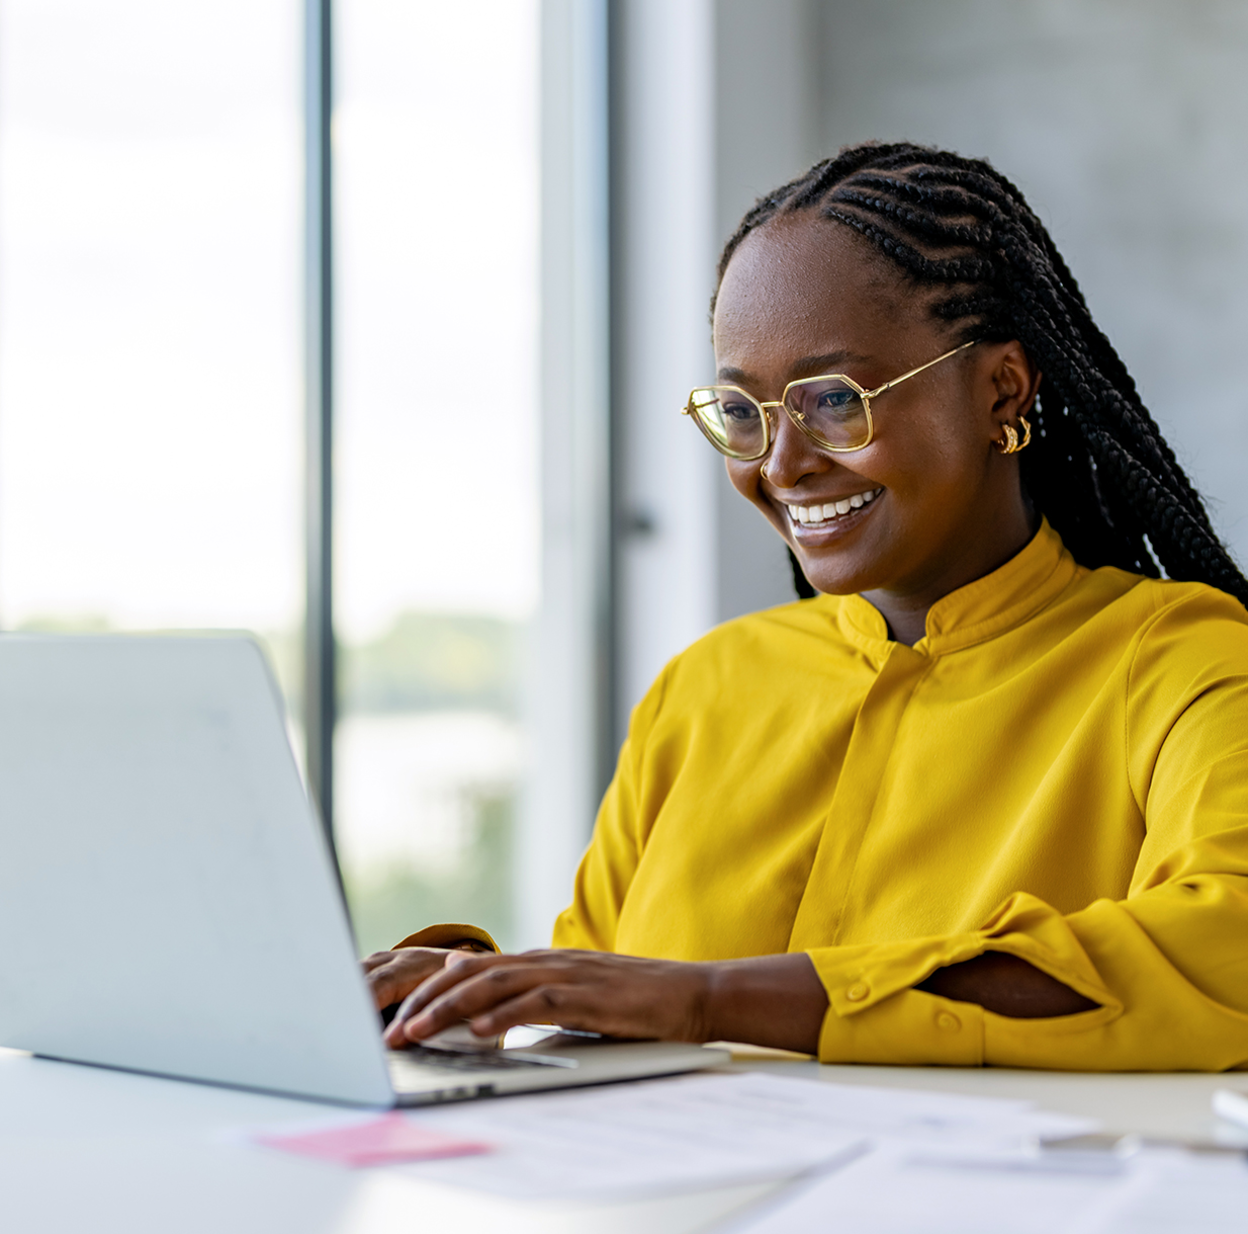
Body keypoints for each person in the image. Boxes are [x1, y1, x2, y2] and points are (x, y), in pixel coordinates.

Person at [363, 142, 1248, 1070]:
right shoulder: (705, 690)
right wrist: (470, 993)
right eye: (743, 412)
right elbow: (609, 1001)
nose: (780, 466)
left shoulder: (1186, 663)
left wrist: (712, 998)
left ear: (1003, 389)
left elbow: (1223, 946)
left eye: (834, 399)